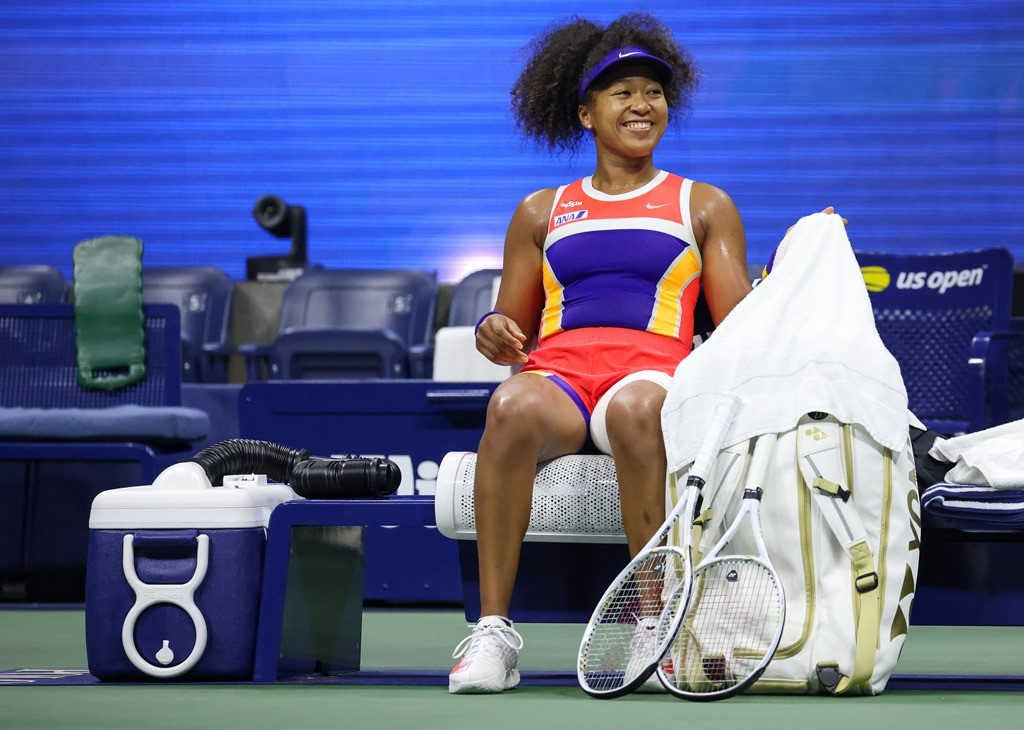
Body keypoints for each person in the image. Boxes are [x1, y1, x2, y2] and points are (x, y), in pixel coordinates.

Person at [449, 12, 833, 694]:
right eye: (621, 91)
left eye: (653, 92)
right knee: (509, 403)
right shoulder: (542, 210)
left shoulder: (702, 204)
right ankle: (493, 632)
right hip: (561, 379)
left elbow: (738, 325)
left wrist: (799, 267)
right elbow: (509, 326)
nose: (641, 103)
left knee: (636, 409)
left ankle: (657, 620)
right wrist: (491, 332)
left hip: (654, 372)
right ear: (586, 114)